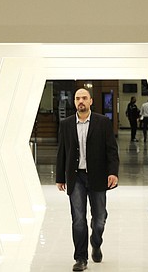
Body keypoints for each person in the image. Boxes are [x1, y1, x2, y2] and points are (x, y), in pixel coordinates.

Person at [56, 88, 120, 271]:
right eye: (77, 98)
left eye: (84, 98)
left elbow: (111, 150)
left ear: (91, 101)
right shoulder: (66, 124)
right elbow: (62, 151)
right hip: (75, 177)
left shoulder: (103, 122)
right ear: (74, 102)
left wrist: (113, 172)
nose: (80, 101)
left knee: (99, 218)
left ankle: (96, 242)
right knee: (78, 218)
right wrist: (60, 176)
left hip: (98, 176)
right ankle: (80, 258)